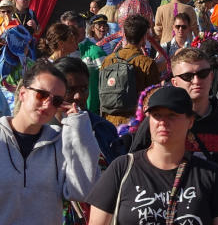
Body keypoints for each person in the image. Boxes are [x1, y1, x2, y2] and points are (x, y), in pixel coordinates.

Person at [130, 47, 218, 224]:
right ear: (174, 82)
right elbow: (135, 168)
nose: (197, 81)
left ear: (211, 76)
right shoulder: (157, 122)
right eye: (188, 76)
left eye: (203, 73)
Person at [86, 86, 218, 225]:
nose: (163, 122)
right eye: (157, 115)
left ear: (190, 121)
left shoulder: (210, 175)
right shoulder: (122, 168)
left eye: (172, 115)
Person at [0, 59, 100, 223]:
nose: (47, 104)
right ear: (23, 93)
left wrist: (78, 124)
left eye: (56, 101)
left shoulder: (60, 142)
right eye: (41, 94)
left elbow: (83, 190)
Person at [53, 56, 123, 165]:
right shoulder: (42, 133)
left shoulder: (103, 128)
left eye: (84, 89)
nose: (79, 96)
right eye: (70, 90)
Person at [99, 14, 161, 126]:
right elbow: (153, 98)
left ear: (125, 35)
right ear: (144, 37)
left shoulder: (108, 60)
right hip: (134, 123)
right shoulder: (146, 63)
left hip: (108, 121)